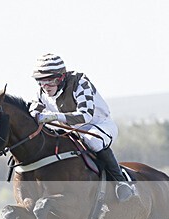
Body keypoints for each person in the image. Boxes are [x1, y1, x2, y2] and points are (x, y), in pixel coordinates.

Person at [28, 53, 136, 202]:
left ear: (61, 77)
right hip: (70, 130)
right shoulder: (42, 90)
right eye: (41, 81)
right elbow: (33, 110)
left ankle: (122, 182)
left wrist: (53, 116)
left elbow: (85, 116)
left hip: (98, 125)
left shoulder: (80, 82)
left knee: (92, 141)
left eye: (51, 81)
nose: (46, 87)